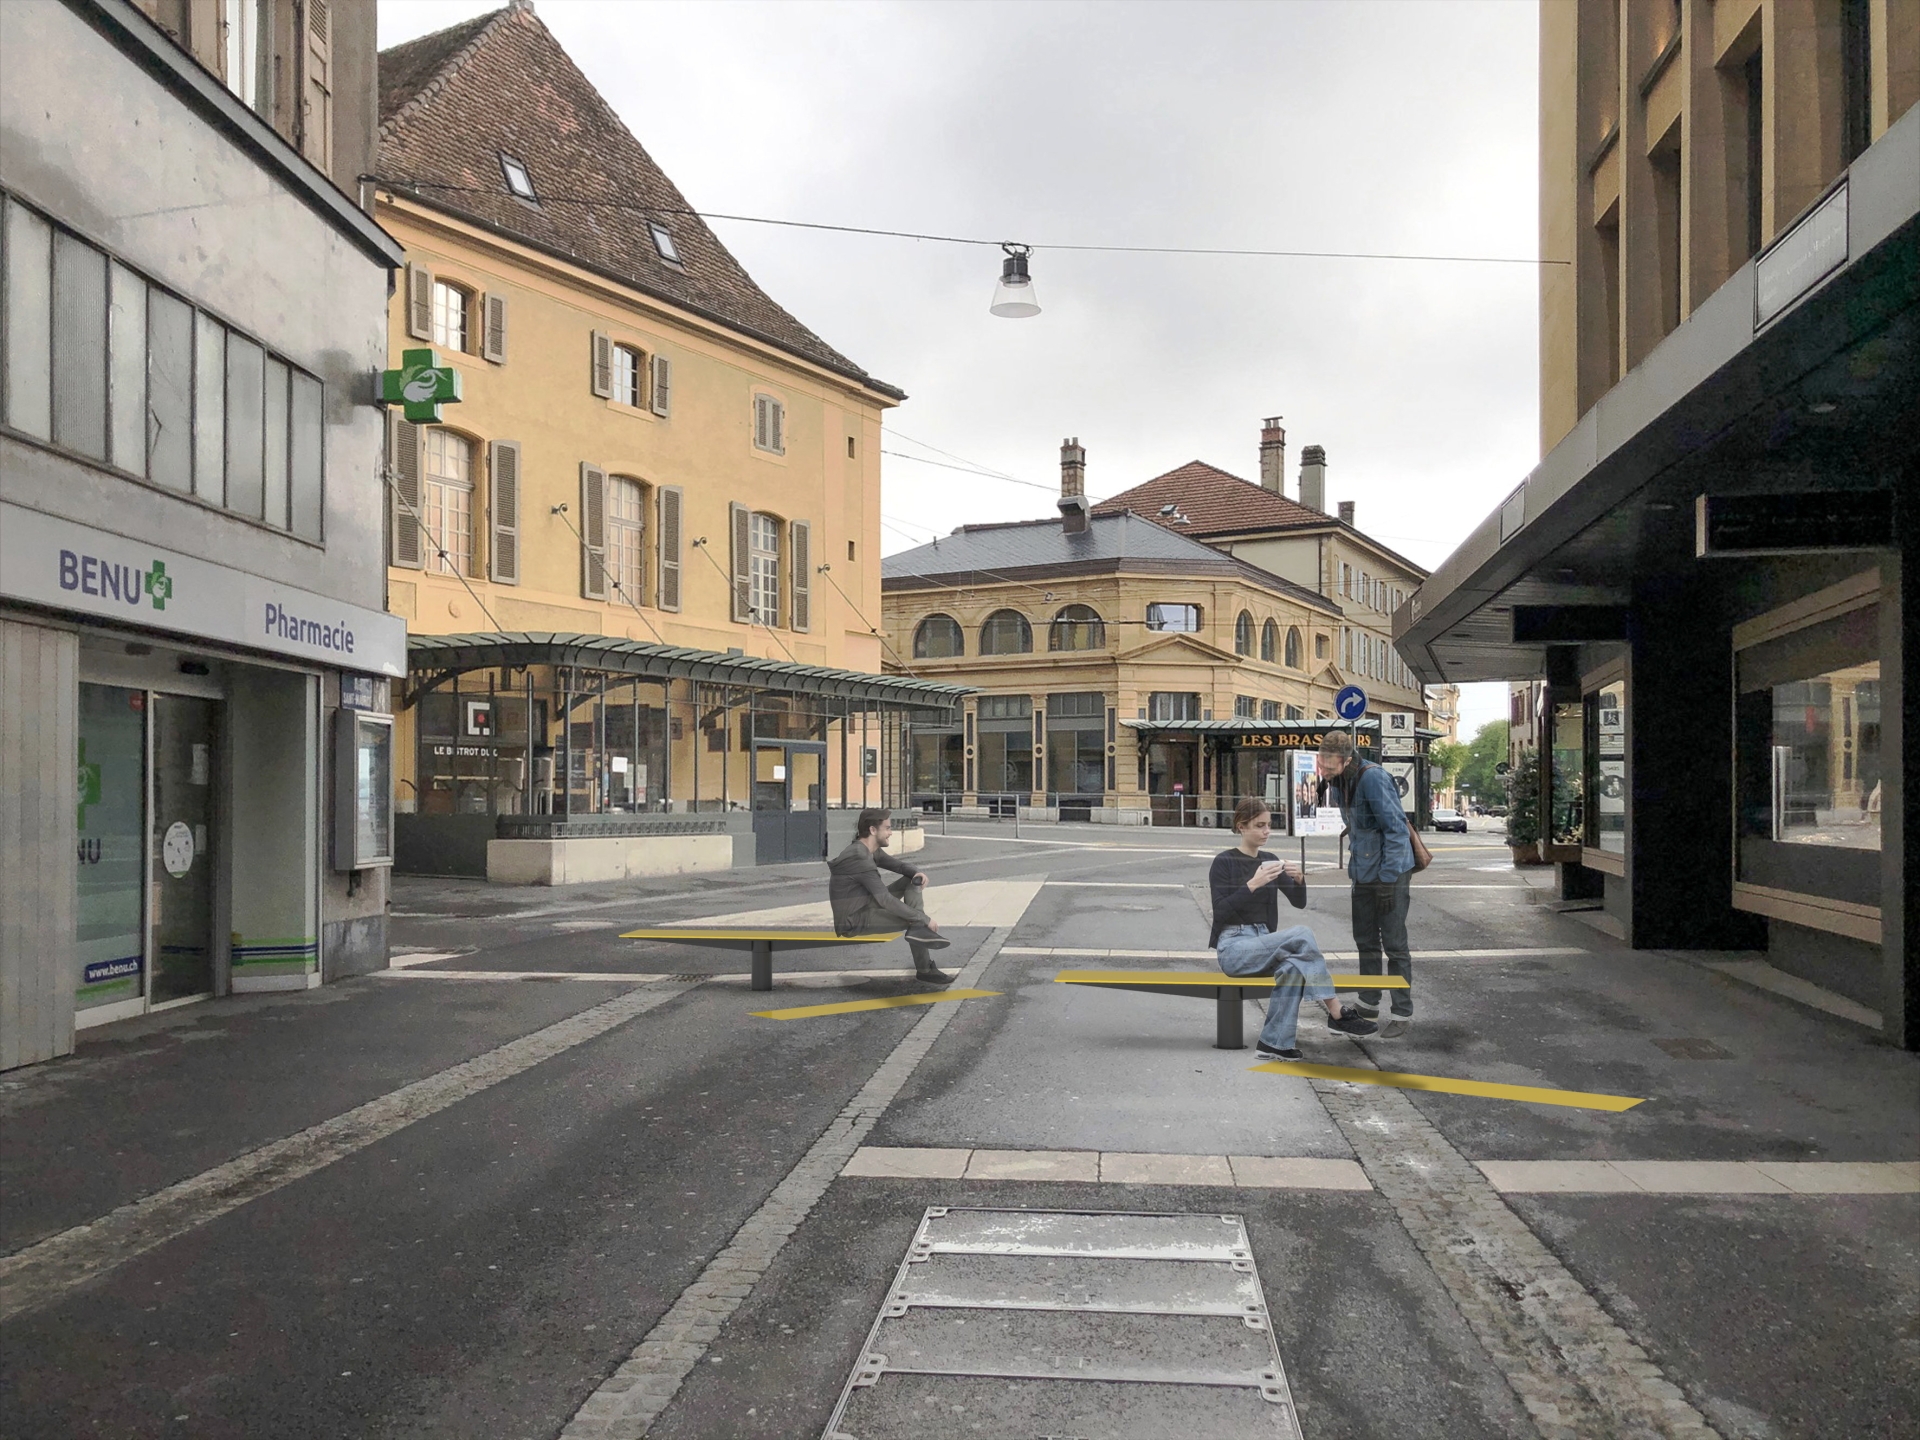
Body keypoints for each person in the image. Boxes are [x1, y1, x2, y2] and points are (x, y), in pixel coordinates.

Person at [1211, 797, 1377, 1060]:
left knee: (1293, 968)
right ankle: (1336, 1011)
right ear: (1241, 827)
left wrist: (1299, 880)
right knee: (1301, 933)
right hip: (1234, 948)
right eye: (1260, 825)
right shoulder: (1224, 862)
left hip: (1264, 943)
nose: (1267, 831)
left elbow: (1299, 903)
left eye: (1269, 825)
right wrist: (1252, 884)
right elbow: (1220, 912)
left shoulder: (1270, 860)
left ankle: (1274, 1043)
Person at [1318, 730, 1415, 1037]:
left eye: (1330, 767)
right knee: (1365, 940)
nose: (1325, 771)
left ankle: (1401, 1013)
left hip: (1390, 873)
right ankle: (1368, 1002)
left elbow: (1397, 832)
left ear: (1347, 760)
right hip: (1362, 871)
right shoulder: (1337, 782)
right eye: (1322, 765)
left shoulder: (1372, 778)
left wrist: (1387, 881)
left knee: (1395, 944)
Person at [827, 808, 954, 986]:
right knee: (915, 920)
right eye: (887, 828)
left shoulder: (869, 850)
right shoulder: (859, 857)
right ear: (873, 830)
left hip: (866, 906)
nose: (890, 833)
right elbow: (885, 900)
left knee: (912, 882)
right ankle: (925, 968)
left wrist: (916, 872)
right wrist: (923, 919)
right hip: (854, 920)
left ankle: (921, 939)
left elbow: (899, 867)